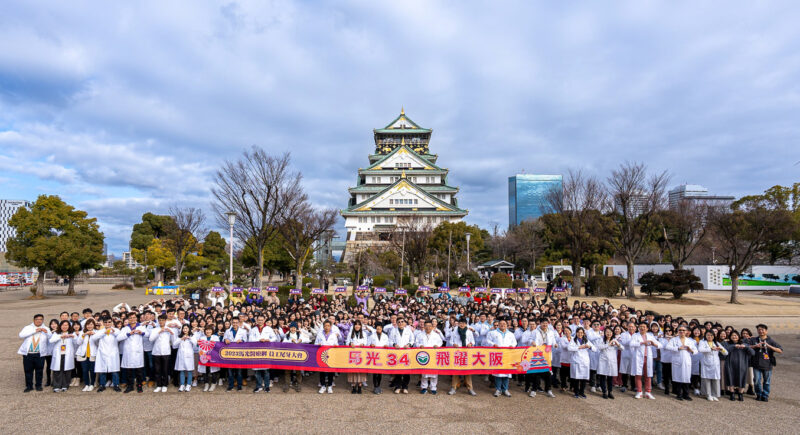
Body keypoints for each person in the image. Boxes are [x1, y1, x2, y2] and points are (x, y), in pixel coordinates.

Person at [748, 324, 783, 402]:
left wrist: (769, 346)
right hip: (756, 364)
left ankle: (765, 395)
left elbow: (780, 350)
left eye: (762, 329)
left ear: (766, 331)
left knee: (767, 381)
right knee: (756, 381)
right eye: (759, 329)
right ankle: (759, 394)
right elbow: (747, 347)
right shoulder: (754, 340)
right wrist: (756, 346)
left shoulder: (770, 340)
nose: (761, 331)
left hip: (768, 364)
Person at [629, 322, 661, 400]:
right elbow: (631, 344)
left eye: (644, 327)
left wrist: (654, 344)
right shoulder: (635, 335)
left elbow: (660, 345)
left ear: (647, 328)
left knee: (648, 375)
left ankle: (648, 392)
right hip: (638, 357)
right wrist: (642, 342)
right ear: (638, 328)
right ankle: (639, 391)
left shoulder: (650, 336)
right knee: (638, 374)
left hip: (648, 357)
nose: (642, 328)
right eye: (640, 326)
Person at [18, 314, 50, 392]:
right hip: (28, 353)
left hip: (40, 353)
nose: (39, 320)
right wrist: (34, 331)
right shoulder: (28, 327)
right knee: (28, 370)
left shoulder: (46, 328)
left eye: (41, 319)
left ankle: (38, 385)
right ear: (34, 320)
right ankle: (29, 386)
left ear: (43, 320)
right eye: (37, 319)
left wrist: (47, 333)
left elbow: (51, 338)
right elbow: (21, 335)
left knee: (39, 370)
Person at [118, 312, 148, 393]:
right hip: (128, 352)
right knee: (129, 371)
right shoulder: (125, 329)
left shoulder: (141, 327)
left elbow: (148, 334)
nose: (132, 319)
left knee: (139, 370)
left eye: (134, 317)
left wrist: (141, 333)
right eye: (130, 318)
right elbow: (118, 338)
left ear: (136, 318)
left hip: (138, 352)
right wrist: (128, 334)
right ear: (128, 319)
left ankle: (139, 386)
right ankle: (130, 386)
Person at [666, 326, 697, 401]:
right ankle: (679, 394)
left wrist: (690, 350)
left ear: (686, 331)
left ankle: (686, 394)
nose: (682, 331)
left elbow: (696, 351)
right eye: (680, 330)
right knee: (678, 377)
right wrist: (677, 348)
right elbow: (667, 347)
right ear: (677, 331)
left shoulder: (690, 341)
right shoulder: (674, 339)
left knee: (686, 378)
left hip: (686, 361)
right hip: (677, 361)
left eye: (683, 330)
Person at [488, 319, 517, 397]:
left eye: (504, 323)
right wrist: (493, 344)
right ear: (498, 325)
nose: (502, 325)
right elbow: (487, 341)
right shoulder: (492, 333)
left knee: (506, 373)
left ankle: (505, 389)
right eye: (501, 324)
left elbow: (514, 342)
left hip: (507, 355)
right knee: (498, 373)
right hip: (497, 355)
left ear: (507, 325)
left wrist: (512, 346)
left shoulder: (511, 334)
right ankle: (498, 389)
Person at [91, 317, 121, 392]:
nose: (107, 323)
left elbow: (120, 337)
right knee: (102, 370)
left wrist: (114, 332)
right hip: (102, 353)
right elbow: (94, 338)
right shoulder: (101, 331)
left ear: (112, 323)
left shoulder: (116, 330)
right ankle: (102, 385)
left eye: (109, 322)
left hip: (113, 353)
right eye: (106, 322)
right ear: (103, 323)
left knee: (114, 370)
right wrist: (103, 332)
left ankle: (116, 385)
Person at [49, 320, 79, 392]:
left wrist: (73, 337)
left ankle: (65, 385)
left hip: (68, 354)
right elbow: (51, 340)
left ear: (69, 326)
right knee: (57, 370)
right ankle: (56, 386)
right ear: (60, 326)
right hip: (59, 354)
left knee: (67, 370)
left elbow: (77, 342)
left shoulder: (72, 333)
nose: (65, 327)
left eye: (66, 325)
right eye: (63, 325)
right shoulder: (56, 333)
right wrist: (60, 336)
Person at [249, 314, 276, 393]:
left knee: (266, 370)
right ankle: (258, 386)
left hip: (265, 351)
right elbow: (250, 339)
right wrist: (259, 340)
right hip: (256, 352)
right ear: (257, 321)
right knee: (257, 371)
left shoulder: (269, 328)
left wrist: (268, 340)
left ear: (264, 320)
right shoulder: (253, 329)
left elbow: (274, 338)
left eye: (262, 320)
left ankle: (267, 386)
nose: (260, 321)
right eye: (259, 320)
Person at [698, 330, 728, 401]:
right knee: (707, 379)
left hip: (715, 364)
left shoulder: (716, 343)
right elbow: (700, 349)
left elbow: (726, 353)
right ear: (705, 336)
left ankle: (715, 394)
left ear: (714, 336)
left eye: (711, 335)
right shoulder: (703, 342)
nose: (710, 337)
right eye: (708, 335)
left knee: (715, 379)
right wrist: (710, 349)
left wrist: (721, 349)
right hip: (706, 363)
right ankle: (708, 394)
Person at [416, 319, 443, 395]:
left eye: (429, 326)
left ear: (432, 326)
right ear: (424, 326)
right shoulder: (420, 334)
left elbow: (440, 342)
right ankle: (424, 387)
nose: (428, 328)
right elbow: (416, 342)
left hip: (433, 355)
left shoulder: (436, 335)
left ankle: (433, 388)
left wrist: (437, 346)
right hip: (424, 356)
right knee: (424, 372)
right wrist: (419, 345)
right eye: (426, 326)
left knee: (434, 372)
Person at [532, 318, 557, 398]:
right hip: (538, 355)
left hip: (547, 355)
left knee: (548, 373)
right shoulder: (535, 331)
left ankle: (548, 390)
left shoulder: (551, 332)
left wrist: (555, 344)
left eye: (546, 323)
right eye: (543, 323)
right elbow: (530, 339)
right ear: (540, 323)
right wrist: (532, 342)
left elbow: (553, 340)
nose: (545, 325)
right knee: (536, 374)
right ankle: (534, 390)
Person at [567, 327, 594, 399]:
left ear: (584, 333)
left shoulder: (586, 340)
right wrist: (579, 347)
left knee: (584, 378)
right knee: (576, 378)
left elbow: (595, 349)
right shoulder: (573, 340)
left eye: (581, 332)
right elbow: (569, 348)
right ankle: (576, 392)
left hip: (585, 361)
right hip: (576, 361)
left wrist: (589, 347)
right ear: (576, 333)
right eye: (578, 332)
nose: (580, 334)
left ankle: (582, 392)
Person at [149, 314, 174, 392]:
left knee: (165, 369)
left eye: (163, 320)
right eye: (160, 320)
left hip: (166, 352)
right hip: (156, 352)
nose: (161, 322)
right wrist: (159, 332)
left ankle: (165, 384)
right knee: (157, 370)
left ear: (165, 321)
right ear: (158, 321)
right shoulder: (155, 330)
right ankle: (159, 385)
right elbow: (151, 339)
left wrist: (171, 333)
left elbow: (173, 341)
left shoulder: (169, 329)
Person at [389, 318, 414, 394]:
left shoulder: (408, 330)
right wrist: (394, 344)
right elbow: (390, 340)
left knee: (407, 370)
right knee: (398, 370)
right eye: (399, 322)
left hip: (406, 352)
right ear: (397, 323)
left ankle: (405, 386)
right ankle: (398, 387)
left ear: (404, 323)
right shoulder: (393, 330)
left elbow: (412, 340)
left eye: (402, 322)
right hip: (397, 352)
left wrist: (409, 344)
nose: (400, 323)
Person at [596, 326, 622, 399]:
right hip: (603, 361)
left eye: (610, 332)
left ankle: (610, 392)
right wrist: (608, 344)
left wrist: (618, 344)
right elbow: (599, 347)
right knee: (603, 377)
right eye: (607, 332)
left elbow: (622, 348)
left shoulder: (615, 340)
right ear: (604, 333)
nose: (609, 333)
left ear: (612, 333)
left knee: (610, 377)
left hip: (612, 361)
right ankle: (604, 392)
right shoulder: (601, 340)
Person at [223, 317, 248, 392]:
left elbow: (246, 340)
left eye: (236, 322)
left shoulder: (243, 331)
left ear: (238, 323)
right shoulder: (227, 331)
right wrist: (225, 340)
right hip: (230, 354)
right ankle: (230, 386)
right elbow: (223, 339)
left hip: (238, 354)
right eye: (233, 322)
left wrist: (242, 340)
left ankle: (239, 386)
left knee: (239, 372)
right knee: (230, 372)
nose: (235, 324)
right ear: (231, 323)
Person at [315, 320, 339, 394]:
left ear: (331, 326)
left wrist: (335, 345)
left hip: (331, 354)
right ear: (323, 326)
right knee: (322, 370)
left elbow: (336, 344)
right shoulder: (320, 334)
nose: (327, 327)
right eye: (325, 326)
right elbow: (315, 343)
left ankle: (330, 385)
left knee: (330, 370)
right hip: (322, 354)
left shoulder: (334, 335)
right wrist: (318, 344)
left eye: (328, 326)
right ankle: (323, 386)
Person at [346, 320, 369, 394]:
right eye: (356, 324)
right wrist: (350, 343)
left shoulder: (364, 334)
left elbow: (366, 342)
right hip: (352, 355)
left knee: (360, 370)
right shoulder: (350, 333)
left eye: (359, 325)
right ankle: (353, 386)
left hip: (361, 354)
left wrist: (363, 344)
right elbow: (346, 342)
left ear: (361, 326)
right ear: (354, 326)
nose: (357, 326)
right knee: (353, 370)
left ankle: (359, 386)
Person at [173, 324, 197, 392]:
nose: (185, 330)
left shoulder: (192, 336)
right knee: (181, 370)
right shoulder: (179, 336)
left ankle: (189, 384)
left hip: (189, 356)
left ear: (189, 329)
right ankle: (182, 385)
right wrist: (181, 339)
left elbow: (195, 343)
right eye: (184, 328)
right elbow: (174, 345)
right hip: (181, 356)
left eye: (186, 328)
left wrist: (189, 338)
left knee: (189, 370)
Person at [368, 323, 390, 394]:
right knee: (375, 372)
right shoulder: (372, 336)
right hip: (374, 355)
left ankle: (378, 386)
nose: (379, 329)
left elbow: (388, 344)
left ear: (382, 328)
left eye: (380, 328)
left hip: (382, 355)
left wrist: (386, 346)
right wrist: (371, 345)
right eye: (377, 328)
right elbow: (367, 344)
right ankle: (375, 386)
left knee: (380, 372)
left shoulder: (385, 336)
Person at [197, 325, 221, 392]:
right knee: (205, 371)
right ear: (205, 331)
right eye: (207, 330)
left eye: (210, 330)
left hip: (213, 357)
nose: (208, 331)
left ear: (212, 331)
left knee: (213, 371)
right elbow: (200, 348)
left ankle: (213, 383)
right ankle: (206, 384)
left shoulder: (215, 337)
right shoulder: (202, 338)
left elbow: (218, 346)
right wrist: (202, 355)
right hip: (204, 357)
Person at [282, 321, 304, 392]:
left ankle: (299, 384)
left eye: (294, 328)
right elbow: (283, 342)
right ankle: (287, 384)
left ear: (296, 328)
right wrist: (291, 340)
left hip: (297, 355)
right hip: (288, 355)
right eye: (291, 328)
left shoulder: (299, 334)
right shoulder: (287, 334)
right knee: (287, 371)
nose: (293, 329)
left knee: (298, 371)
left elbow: (307, 340)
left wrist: (301, 340)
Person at [77, 319, 98, 391]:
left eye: (91, 324)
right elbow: (78, 343)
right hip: (84, 354)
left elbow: (98, 344)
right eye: (88, 324)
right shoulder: (82, 332)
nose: (90, 326)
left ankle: (92, 384)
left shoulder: (97, 332)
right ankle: (86, 384)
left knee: (92, 370)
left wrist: (94, 335)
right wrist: (84, 335)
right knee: (85, 370)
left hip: (93, 354)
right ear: (86, 325)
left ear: (94, 325)